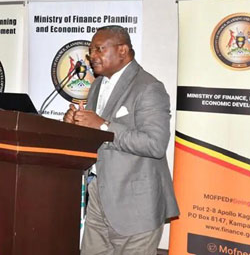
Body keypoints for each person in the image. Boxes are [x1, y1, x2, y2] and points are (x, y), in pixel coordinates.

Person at [64, 25, 179, 255]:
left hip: (135, 204)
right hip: (99, 195)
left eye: (99, 49)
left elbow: (155, 144)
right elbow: (95, 137)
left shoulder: (149, 87)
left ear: (122, 51)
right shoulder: (97, 84)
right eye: (90, 51)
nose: (92, 56)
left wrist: (103, 126)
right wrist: (75, 125)